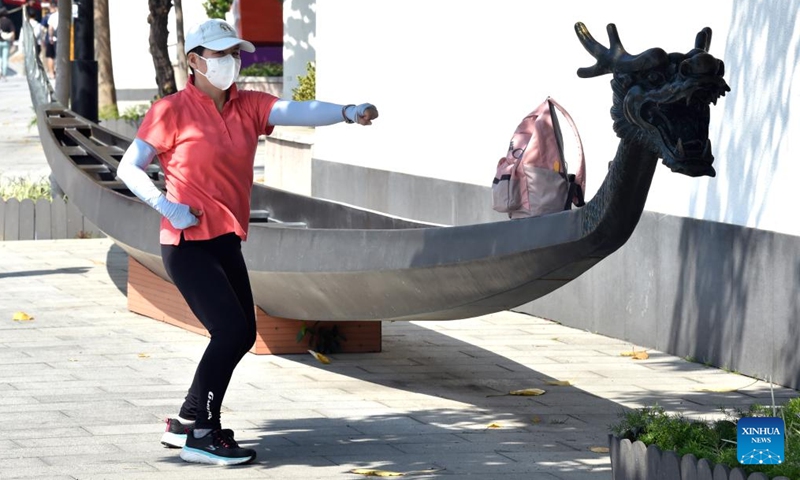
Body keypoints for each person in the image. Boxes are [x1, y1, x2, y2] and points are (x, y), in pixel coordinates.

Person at [117, 18, 378, 466]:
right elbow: (129, 168)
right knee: (232, 331)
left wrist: (347, 111)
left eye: (234, 53)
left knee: (243, 332)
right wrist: (168, 207)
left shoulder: (247, 105)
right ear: (195, 61)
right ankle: (203, 433)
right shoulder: (171, 110)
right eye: (220, 55)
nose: (230, 62)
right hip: (187, 243)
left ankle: (186, 420)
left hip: (226, 240)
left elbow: (296, 110)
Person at [0, 7, 15, 81]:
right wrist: (12, 41)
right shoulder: (9, 22)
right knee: (5, 58)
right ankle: (4, 74)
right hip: (6, 42)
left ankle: (0, 72)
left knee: (0, 58)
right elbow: (12, 32)